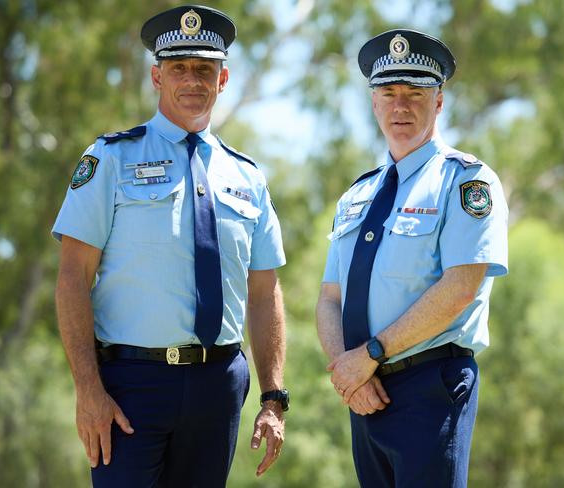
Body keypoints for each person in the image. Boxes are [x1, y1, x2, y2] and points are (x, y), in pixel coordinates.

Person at [53, 5, 289, 487]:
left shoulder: (248, 177)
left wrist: (273, 396)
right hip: (130, 387)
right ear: (156, 76)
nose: (192, 80)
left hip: (218, 385)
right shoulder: (111, 158)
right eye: (178, 68)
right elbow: (73, 277)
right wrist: (87, 391)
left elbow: (264, 293)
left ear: (222, 79)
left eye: (204, 69)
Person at [316, 29, 508, 487]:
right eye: (388, 92)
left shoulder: (464, 182)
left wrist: (371, 353)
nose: (400, 105)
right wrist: (350, 372)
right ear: (374, 102)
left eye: (415, 92)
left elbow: (462, 287)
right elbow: (329, 298)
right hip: (365, 393)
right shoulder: (358, 194)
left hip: (430, 387)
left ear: (438, 102)